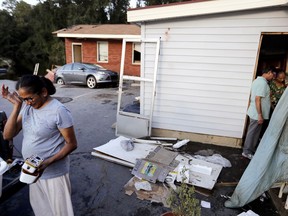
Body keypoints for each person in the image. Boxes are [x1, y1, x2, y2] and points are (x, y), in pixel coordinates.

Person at [1, 75, 78, 216]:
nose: (27, 103)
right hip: (32, 171)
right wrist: (17, 106)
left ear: (43, 92)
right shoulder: (26, 107)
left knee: (61, 212)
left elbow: (72, 144)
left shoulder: (58, 111)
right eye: (24, 99)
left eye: (30, 98)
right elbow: (7, 135)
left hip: (54, 174)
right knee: (42, 210)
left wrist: (47, 163)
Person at [242, 67, 274, 159]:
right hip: (257, 114)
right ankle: (246, 151)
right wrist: (260, 115)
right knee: (252, 132)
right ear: (269, 72)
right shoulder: (262, 83)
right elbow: (257, 99)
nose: (272, 77)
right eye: (272, 75)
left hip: (256, 112)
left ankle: (250, 150)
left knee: (255, 132)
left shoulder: (257, 81)